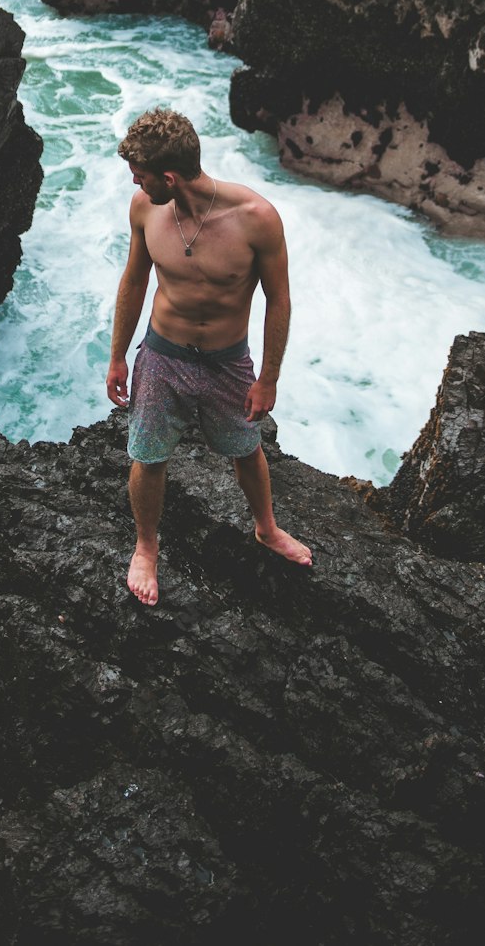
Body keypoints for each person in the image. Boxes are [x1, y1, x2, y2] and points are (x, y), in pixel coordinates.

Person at [106, 107, 312, 605]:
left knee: (246, 449)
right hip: (162, 354)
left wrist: (268, 378)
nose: (135, 182)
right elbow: (134, 282)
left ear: (170, 177)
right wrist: (117, 357)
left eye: (141, 174)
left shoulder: (255, 220)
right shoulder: (144, 209)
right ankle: (146, 548)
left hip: (227, 361)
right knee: (147, 455)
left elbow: (278, 300)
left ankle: (266, 528)